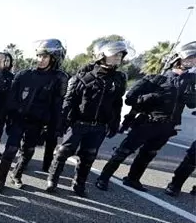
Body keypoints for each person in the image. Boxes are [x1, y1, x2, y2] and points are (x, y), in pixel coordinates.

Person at [96, 41, 196, 192]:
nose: (191, 61)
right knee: (123, 151)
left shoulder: (190, 82)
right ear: (177, 59)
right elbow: (130, 98)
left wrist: (192, 95)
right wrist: (150, 97)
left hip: (166, 127)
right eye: (189, 58)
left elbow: (191, 105)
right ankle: (103, 177)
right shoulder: (155, 79)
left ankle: (133, 179)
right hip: (146, 123)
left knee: (148, 154)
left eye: (194, 59)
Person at [46, 39, 130, 196]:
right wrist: (61, 122)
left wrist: (115, 123)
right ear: (101, 55)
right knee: (63, 151)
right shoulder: (84, 76)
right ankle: (52, 179)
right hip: (78, 123)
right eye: (115, 54)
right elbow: (69, 101)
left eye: (120, 54)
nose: (118, 57)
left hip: (99, 126)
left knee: (89, 156)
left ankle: (79, 184)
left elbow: (117, 103)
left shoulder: (119, 79)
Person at [0, 39, 68, 193]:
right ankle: (0, 179)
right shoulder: (24, 75)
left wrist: (54, 128)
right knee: (10, 150)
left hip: (38, 123)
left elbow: (57, 106)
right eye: (39, 56)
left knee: (28, 151)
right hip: (19, 120)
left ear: (54, 59)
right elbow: (10, 99)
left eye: (45, 57)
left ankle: (16, 174)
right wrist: (6, 116)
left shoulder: (58, 78)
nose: (41, 60)